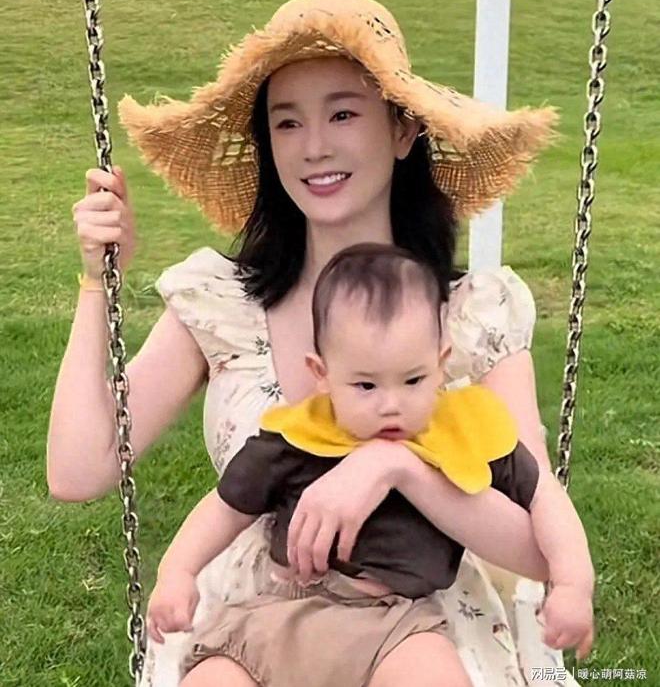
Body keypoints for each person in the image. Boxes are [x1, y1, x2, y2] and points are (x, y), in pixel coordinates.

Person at [48, 0, 593, 687]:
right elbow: (78, 473)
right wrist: (96, 283)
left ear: (402, 130)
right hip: (250, 628)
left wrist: (394, 467)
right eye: (287, 122)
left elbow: (537, 549)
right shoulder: (224, 304)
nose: (314, 147)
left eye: (342, 113)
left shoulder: (470, 316)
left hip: (419, 629)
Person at [145, 243, 594, 687]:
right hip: (283, 612)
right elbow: (226, 506)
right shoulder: (300, 435)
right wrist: (177, 572)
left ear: (441, 364)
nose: (390, 404)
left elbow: (543, 497)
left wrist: (573, 583)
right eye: (365, 386)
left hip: (397, 624)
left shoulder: (463, 431)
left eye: (413, 379)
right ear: (322, 374)